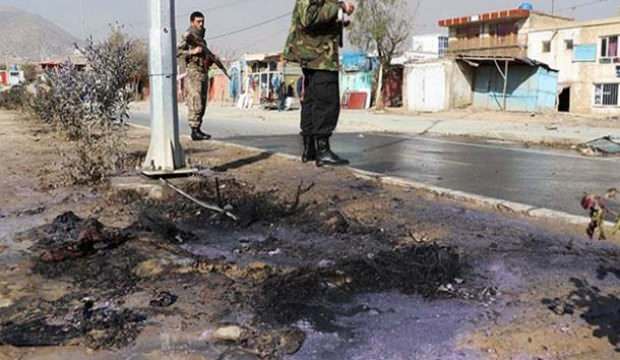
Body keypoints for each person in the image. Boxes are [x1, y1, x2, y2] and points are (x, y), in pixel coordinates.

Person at [283, 0, 355, 166]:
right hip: (320, 55)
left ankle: (310, 149)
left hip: (313, 53)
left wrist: (337, 21)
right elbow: (309, 16)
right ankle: (322, 150)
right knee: (326, 101)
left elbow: (315, 16)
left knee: (312, 100)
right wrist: (340, 7)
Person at [177, 11, 227, 141]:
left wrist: (210, 59)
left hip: (203, 71)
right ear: (192, 22)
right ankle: (194, 130)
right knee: (196, 100)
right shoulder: (188, 35)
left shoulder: (201, 39)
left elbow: (204, 56)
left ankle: (198, 128)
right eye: (198, 21)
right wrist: (192, 51)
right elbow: (177, 52)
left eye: (202, 21)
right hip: (193, 71)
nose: (201, 24)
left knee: (203, 101)